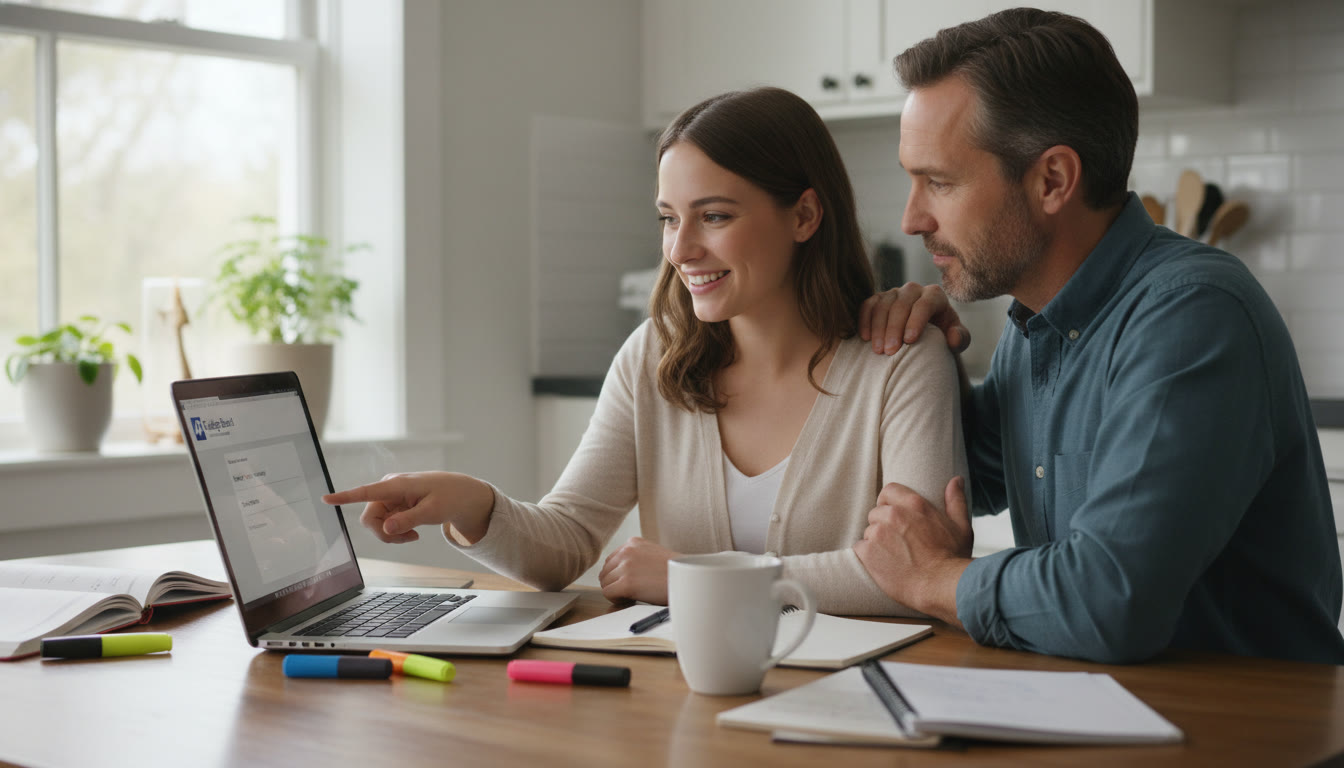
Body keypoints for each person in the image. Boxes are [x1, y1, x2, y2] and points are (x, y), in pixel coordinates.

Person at [324, 86, 968, 614]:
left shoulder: (904, 362)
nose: (680, 249)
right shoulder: (655, 355)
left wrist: (692, 577)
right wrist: (475, 506)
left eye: (714, 216)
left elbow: (913, 577)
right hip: (677, 705)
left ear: (804, 216)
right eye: (669, 217)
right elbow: (566, 543)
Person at [851, 8, 1344, 664]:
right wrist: (919, 362)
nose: (913, 219)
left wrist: (932, 578)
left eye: (938, 182)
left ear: (1052, 180)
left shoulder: (1192, 314)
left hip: (1248, 731)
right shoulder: (1034, 325)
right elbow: (963, 474)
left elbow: (1109, 602)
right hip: (1110, 711)